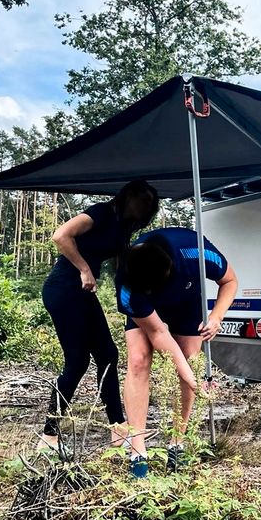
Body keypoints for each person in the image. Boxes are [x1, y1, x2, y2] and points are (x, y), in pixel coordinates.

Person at [39, 180, 159, 453]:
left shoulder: (125, 227)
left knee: (108, 354)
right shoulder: (101, 212)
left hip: (82, 293)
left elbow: (120, 264)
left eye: (149, 205)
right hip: (63, 289)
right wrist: (84, 268)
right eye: (142, 200)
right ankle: (49, 435)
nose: (144, 207)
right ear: (128, 197)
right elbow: (61, 236)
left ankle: (118, 429)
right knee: (78, 361)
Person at [115, 228, 238, 477]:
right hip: (148, 312)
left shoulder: (198, 255)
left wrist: (216, 316)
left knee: (189, 358)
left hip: (186, 300)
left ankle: (177, 443)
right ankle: (137, 450)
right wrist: (196, 384)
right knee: (138, 360)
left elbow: (230, 281)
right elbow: (159, 334)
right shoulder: (128, 284)